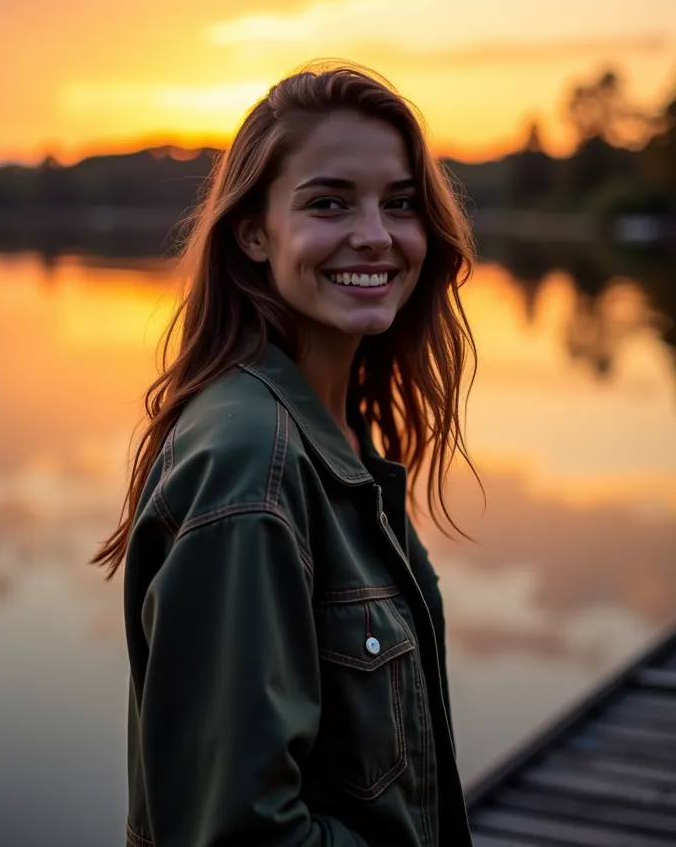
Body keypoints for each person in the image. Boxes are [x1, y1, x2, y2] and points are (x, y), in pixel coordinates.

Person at [93, 63, 477, 847]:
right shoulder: (250, 461)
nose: (376, 233)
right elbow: (240, 834)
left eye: (400, 203)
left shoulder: (331, 434)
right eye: (330, 202)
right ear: (253, 231)